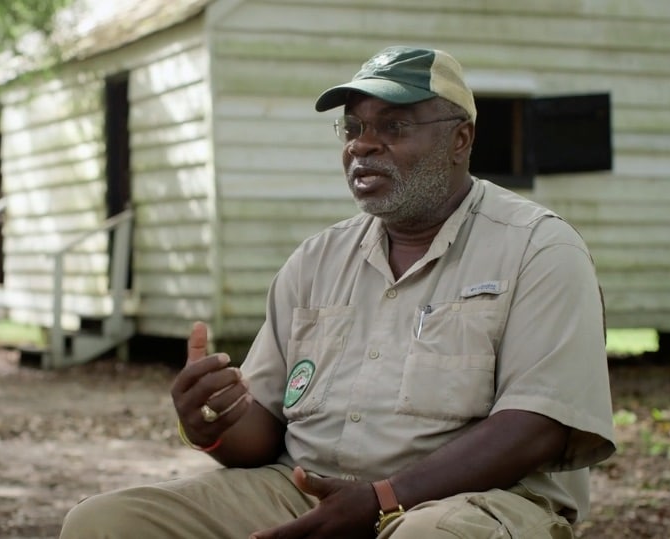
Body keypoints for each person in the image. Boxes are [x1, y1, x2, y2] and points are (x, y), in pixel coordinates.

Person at [59, 45, 615, 538]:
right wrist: (210, 422)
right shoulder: (316, 261)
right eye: (353, 129)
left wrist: (381, 500)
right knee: (103, 524)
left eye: (393, 127)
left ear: (460, 138)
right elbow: (264, 430)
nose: (363, 146)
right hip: (308, 491)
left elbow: (539, 428)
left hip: (474, 504)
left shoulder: (538, 250)